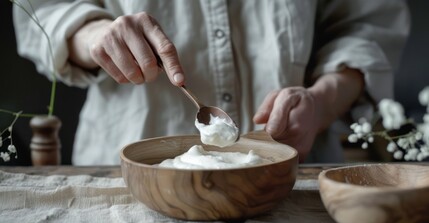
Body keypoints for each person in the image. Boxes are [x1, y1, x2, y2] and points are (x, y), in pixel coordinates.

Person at [13, 0, 409, 165]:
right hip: (124, 176)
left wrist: (321, 102)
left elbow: (366, 24)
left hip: (292, 177)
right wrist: (95, 34)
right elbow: (39, 10)